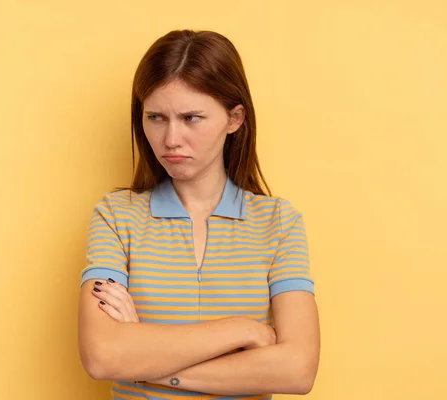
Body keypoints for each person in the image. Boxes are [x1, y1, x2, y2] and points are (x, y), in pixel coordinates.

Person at [77, 29, 320, 400]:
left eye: (191, 118)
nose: (171, 138)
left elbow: (297, 371)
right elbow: (102, 356)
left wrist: (145, 362)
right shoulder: (115, 216)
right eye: (156, 117)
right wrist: (241, 329)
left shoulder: (279, 223)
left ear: (234, 118)